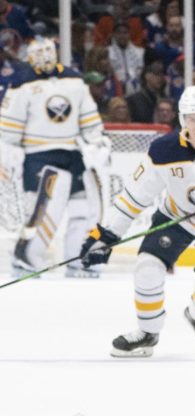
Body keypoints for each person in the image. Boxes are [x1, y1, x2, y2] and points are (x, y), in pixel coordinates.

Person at [78, 85, 195, 357]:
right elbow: (133, 197)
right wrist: (106, 235)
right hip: (176, 218)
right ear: (182, 120)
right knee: (147, 266)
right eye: (192, 119)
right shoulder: (163, 150)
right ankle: (148, 333)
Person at [0, 37, 111, 278]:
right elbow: (8, 130)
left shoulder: (74, 79)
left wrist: (97, 142)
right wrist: (7, 156)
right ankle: (26, 257)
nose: (44, 57)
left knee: (84, 206)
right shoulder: (21, 83)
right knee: (44, 210)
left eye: (47, 51)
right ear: (30, 57)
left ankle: (78, 257)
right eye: (38, 53)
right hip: (37, 155)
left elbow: (89, 119)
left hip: (72, 152)